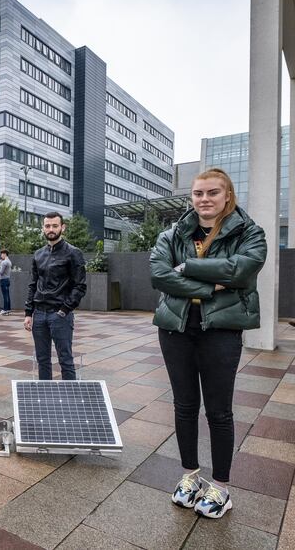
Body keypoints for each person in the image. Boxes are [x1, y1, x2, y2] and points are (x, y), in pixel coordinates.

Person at [150, 168, 266, 519]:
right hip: (176, 329)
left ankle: (220, 486)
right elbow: (159, 275)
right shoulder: (172, 234)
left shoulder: (250, 232)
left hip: (221, 331)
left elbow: (241, 271)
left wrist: (186, 269)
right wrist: (209, 284)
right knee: (184, 406)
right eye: (198, 193)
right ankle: (189, 476)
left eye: (212, 193)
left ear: (227, 195)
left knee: (219, 411)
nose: (204, 199)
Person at [23, 212, 86, 380]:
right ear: (43, 228)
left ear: (62, 227)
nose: (51, 229)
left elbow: (80, 286)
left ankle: (70, 400)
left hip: (60, 315)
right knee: (42, 360)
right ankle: (45, 398)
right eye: (47, 226)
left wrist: (65, 310)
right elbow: (33, 284)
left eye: (55, 226)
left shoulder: (73, 253)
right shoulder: (38, 254)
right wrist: (29, 313)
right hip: (40, 314)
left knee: (65, 360)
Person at [0, 249, 12, 315]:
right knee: (7, 295)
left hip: (3, 280)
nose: (1, 255)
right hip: (7, 279)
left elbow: (1, 271)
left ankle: (5, 310)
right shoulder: (8, 261)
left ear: (5, 254)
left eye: (2, 254)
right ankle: (8, 309)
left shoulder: (4, 262)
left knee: (5, 296)